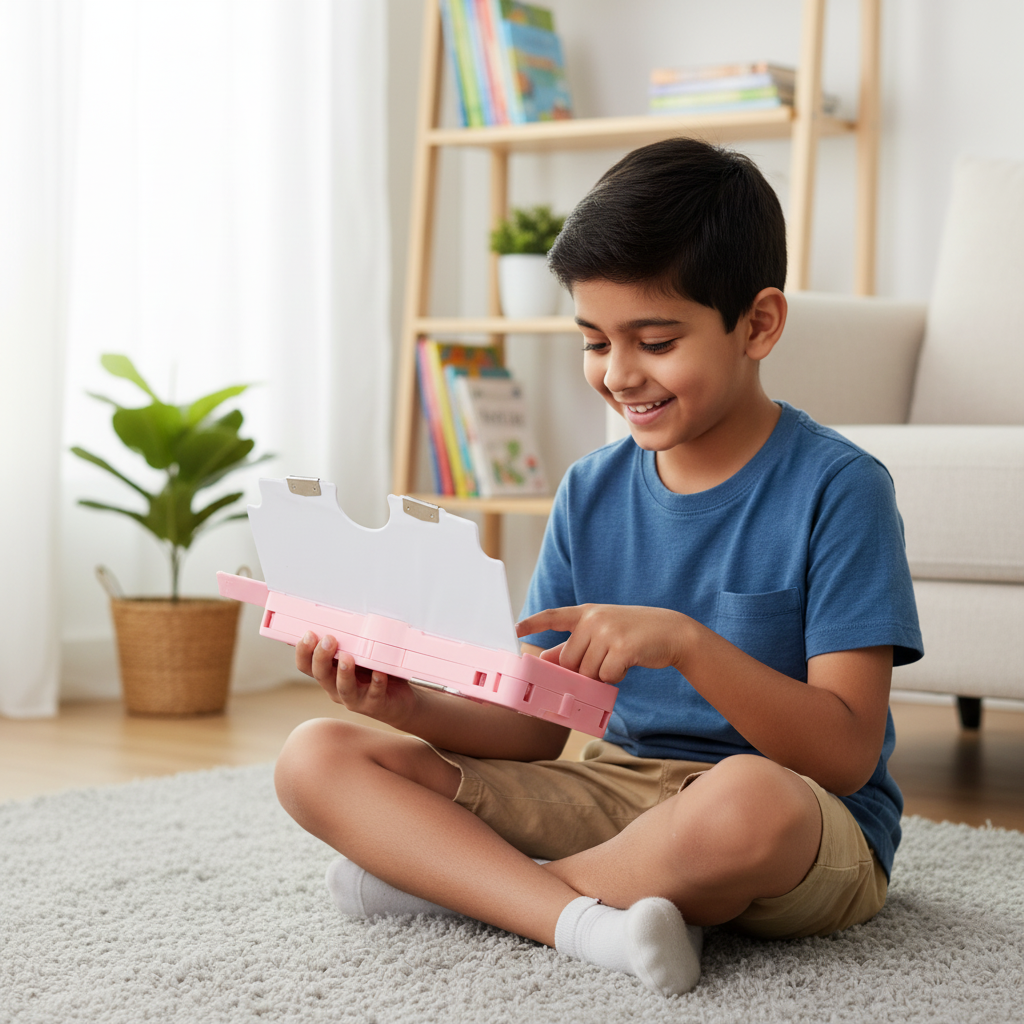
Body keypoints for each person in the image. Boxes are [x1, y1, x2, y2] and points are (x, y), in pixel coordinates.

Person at [273, 137, 923, 997]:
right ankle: (592, 918)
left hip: (796, 817)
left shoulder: (840, 489)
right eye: (594, 341)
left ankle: (473, 892)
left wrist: (689, 644)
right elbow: (544, 725)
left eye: (655, 340)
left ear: (758, 324)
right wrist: (404, 704)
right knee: (314, 756)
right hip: (615, 792)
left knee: (747, 800)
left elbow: (842, 756)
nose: (619, 375)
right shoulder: (590, 488)